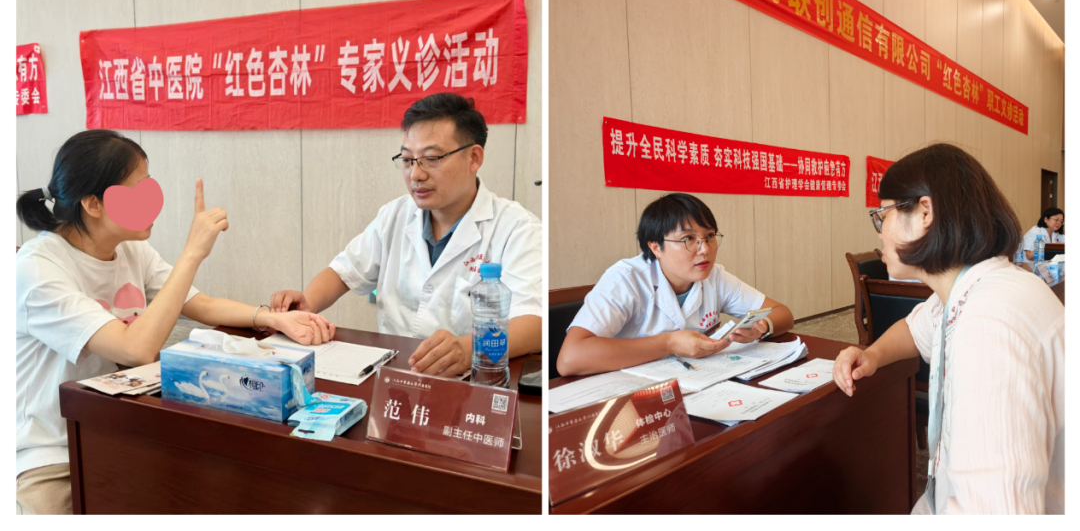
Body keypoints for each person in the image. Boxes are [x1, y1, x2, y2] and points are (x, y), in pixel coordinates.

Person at [15, 130, 335, 516]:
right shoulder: (37, 270)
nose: (152, 204)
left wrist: (273, 318)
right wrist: (192, 253)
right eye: (138, 192)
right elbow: (135, 349)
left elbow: (200, 304)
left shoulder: (131, 249)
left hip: (119, 428)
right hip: (52, 453)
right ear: (93, 203)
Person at [832, 144, 1063, 515]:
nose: (879, 233)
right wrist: (871, 354)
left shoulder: (989, 327)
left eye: (882, 216)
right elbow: (914, 329)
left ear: (925, 212)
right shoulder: (968, 288)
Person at [270, 92, 542, 377]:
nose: (416, 175)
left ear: (474, 158)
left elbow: (535, 324)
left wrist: (468, 348)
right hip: (393, 379)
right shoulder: (395, 215)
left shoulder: (517, 229)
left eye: (431, 159)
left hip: (471, 383)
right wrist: (306, 305)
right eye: (408, 160)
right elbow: (343, 272)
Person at [556, 193, 794, 377]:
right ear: (656, 247)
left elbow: (782, 313)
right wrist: (669, 343)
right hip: (628, 391)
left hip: (695, 381)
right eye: (688, 238)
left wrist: (762, 327)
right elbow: (569, 359)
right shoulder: (625, 278)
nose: (705, 249)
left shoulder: (714, 276)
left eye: (710, 236)